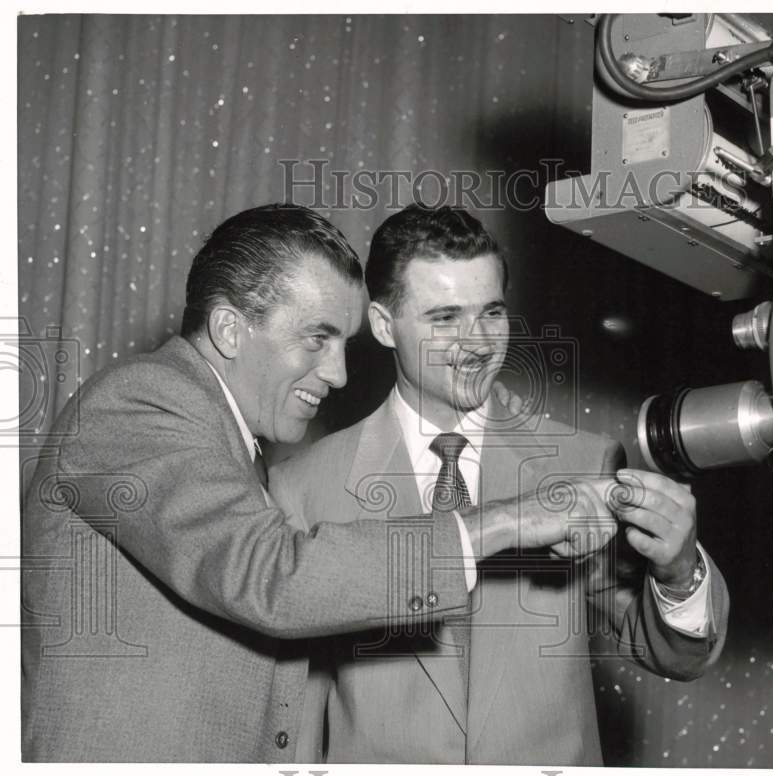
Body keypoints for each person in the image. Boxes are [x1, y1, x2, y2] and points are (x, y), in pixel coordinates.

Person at [20, 203, 611, 762]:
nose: (339, 372)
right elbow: (273, 576)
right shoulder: (142, 403)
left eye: (343, 343)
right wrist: (504, 520)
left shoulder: (230, 448)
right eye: (316, 338)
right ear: (228, 329)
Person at [269, 204, 730, 765]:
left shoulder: (585, 462)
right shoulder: (302, 489)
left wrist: (679, 572)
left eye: (491, 313)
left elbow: (671, 654)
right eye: (444, 318)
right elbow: (288, 717)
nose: (478, 343)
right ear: (385, 325)